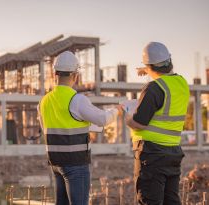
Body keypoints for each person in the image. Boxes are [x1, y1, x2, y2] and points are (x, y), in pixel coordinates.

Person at [38, 51, 119, 205]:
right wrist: (117, 110)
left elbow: (50, 128)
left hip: (55, 163)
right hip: (75, 164)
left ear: (55, 73)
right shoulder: (77, 100)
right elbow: (103, 119)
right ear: (75, 75)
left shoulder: (44, 101)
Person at [124, 42, 189, 205]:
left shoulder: (154, 88)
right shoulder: (182, 84)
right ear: (170, 60)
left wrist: (126, 117)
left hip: (152, 154)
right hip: (173, 152)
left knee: (149, 200)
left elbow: (139, 122)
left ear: (149, 65)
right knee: (171, 200)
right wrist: (147, 69)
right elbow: (166, 77)